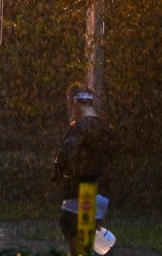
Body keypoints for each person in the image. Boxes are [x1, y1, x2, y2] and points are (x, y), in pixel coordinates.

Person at [52, 82, 115, 255]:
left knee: (75, 238)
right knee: (86, 239)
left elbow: (66, 153)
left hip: (83, 191)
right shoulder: (104, 128)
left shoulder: (79, 128)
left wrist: (59, 175)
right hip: (101, 192)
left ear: (74, 103)